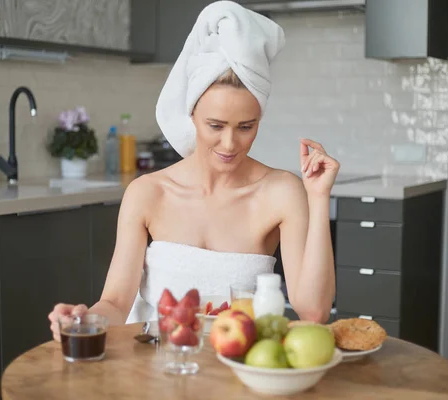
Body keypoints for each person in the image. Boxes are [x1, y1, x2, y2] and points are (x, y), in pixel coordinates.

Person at [48, 0, 339, 342]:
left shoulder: (281, 192)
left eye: (246, 126)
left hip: (239, 376)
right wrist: (83, 319)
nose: (230, 143)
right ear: (191, 116)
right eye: (215, 125)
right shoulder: (148, 193)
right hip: (155, 375)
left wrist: (318, 197)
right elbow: (115, 302)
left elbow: (314, 312)